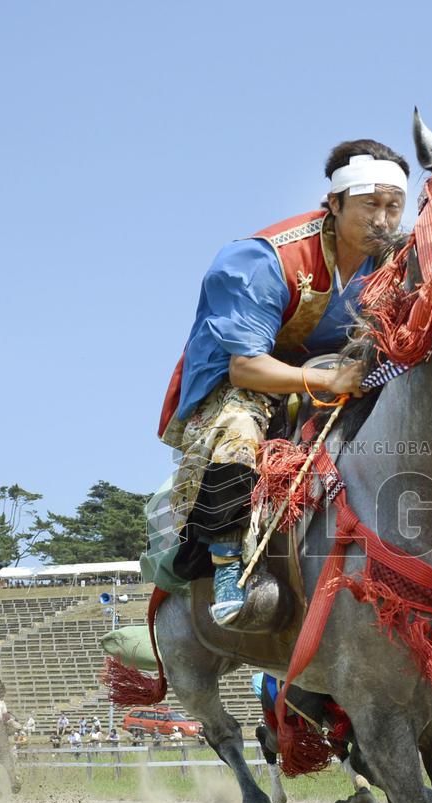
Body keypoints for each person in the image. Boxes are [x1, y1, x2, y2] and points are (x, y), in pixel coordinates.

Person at [159, 139, 410, 624]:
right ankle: (227, 559)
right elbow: (245, 366)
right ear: (333, 203)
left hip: (337, 370)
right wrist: (329, 380)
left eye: (393, 206)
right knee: (238, 425)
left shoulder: (396, 262)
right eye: (369, 205)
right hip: (244, 380)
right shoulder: (263, 260)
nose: (383, 219)